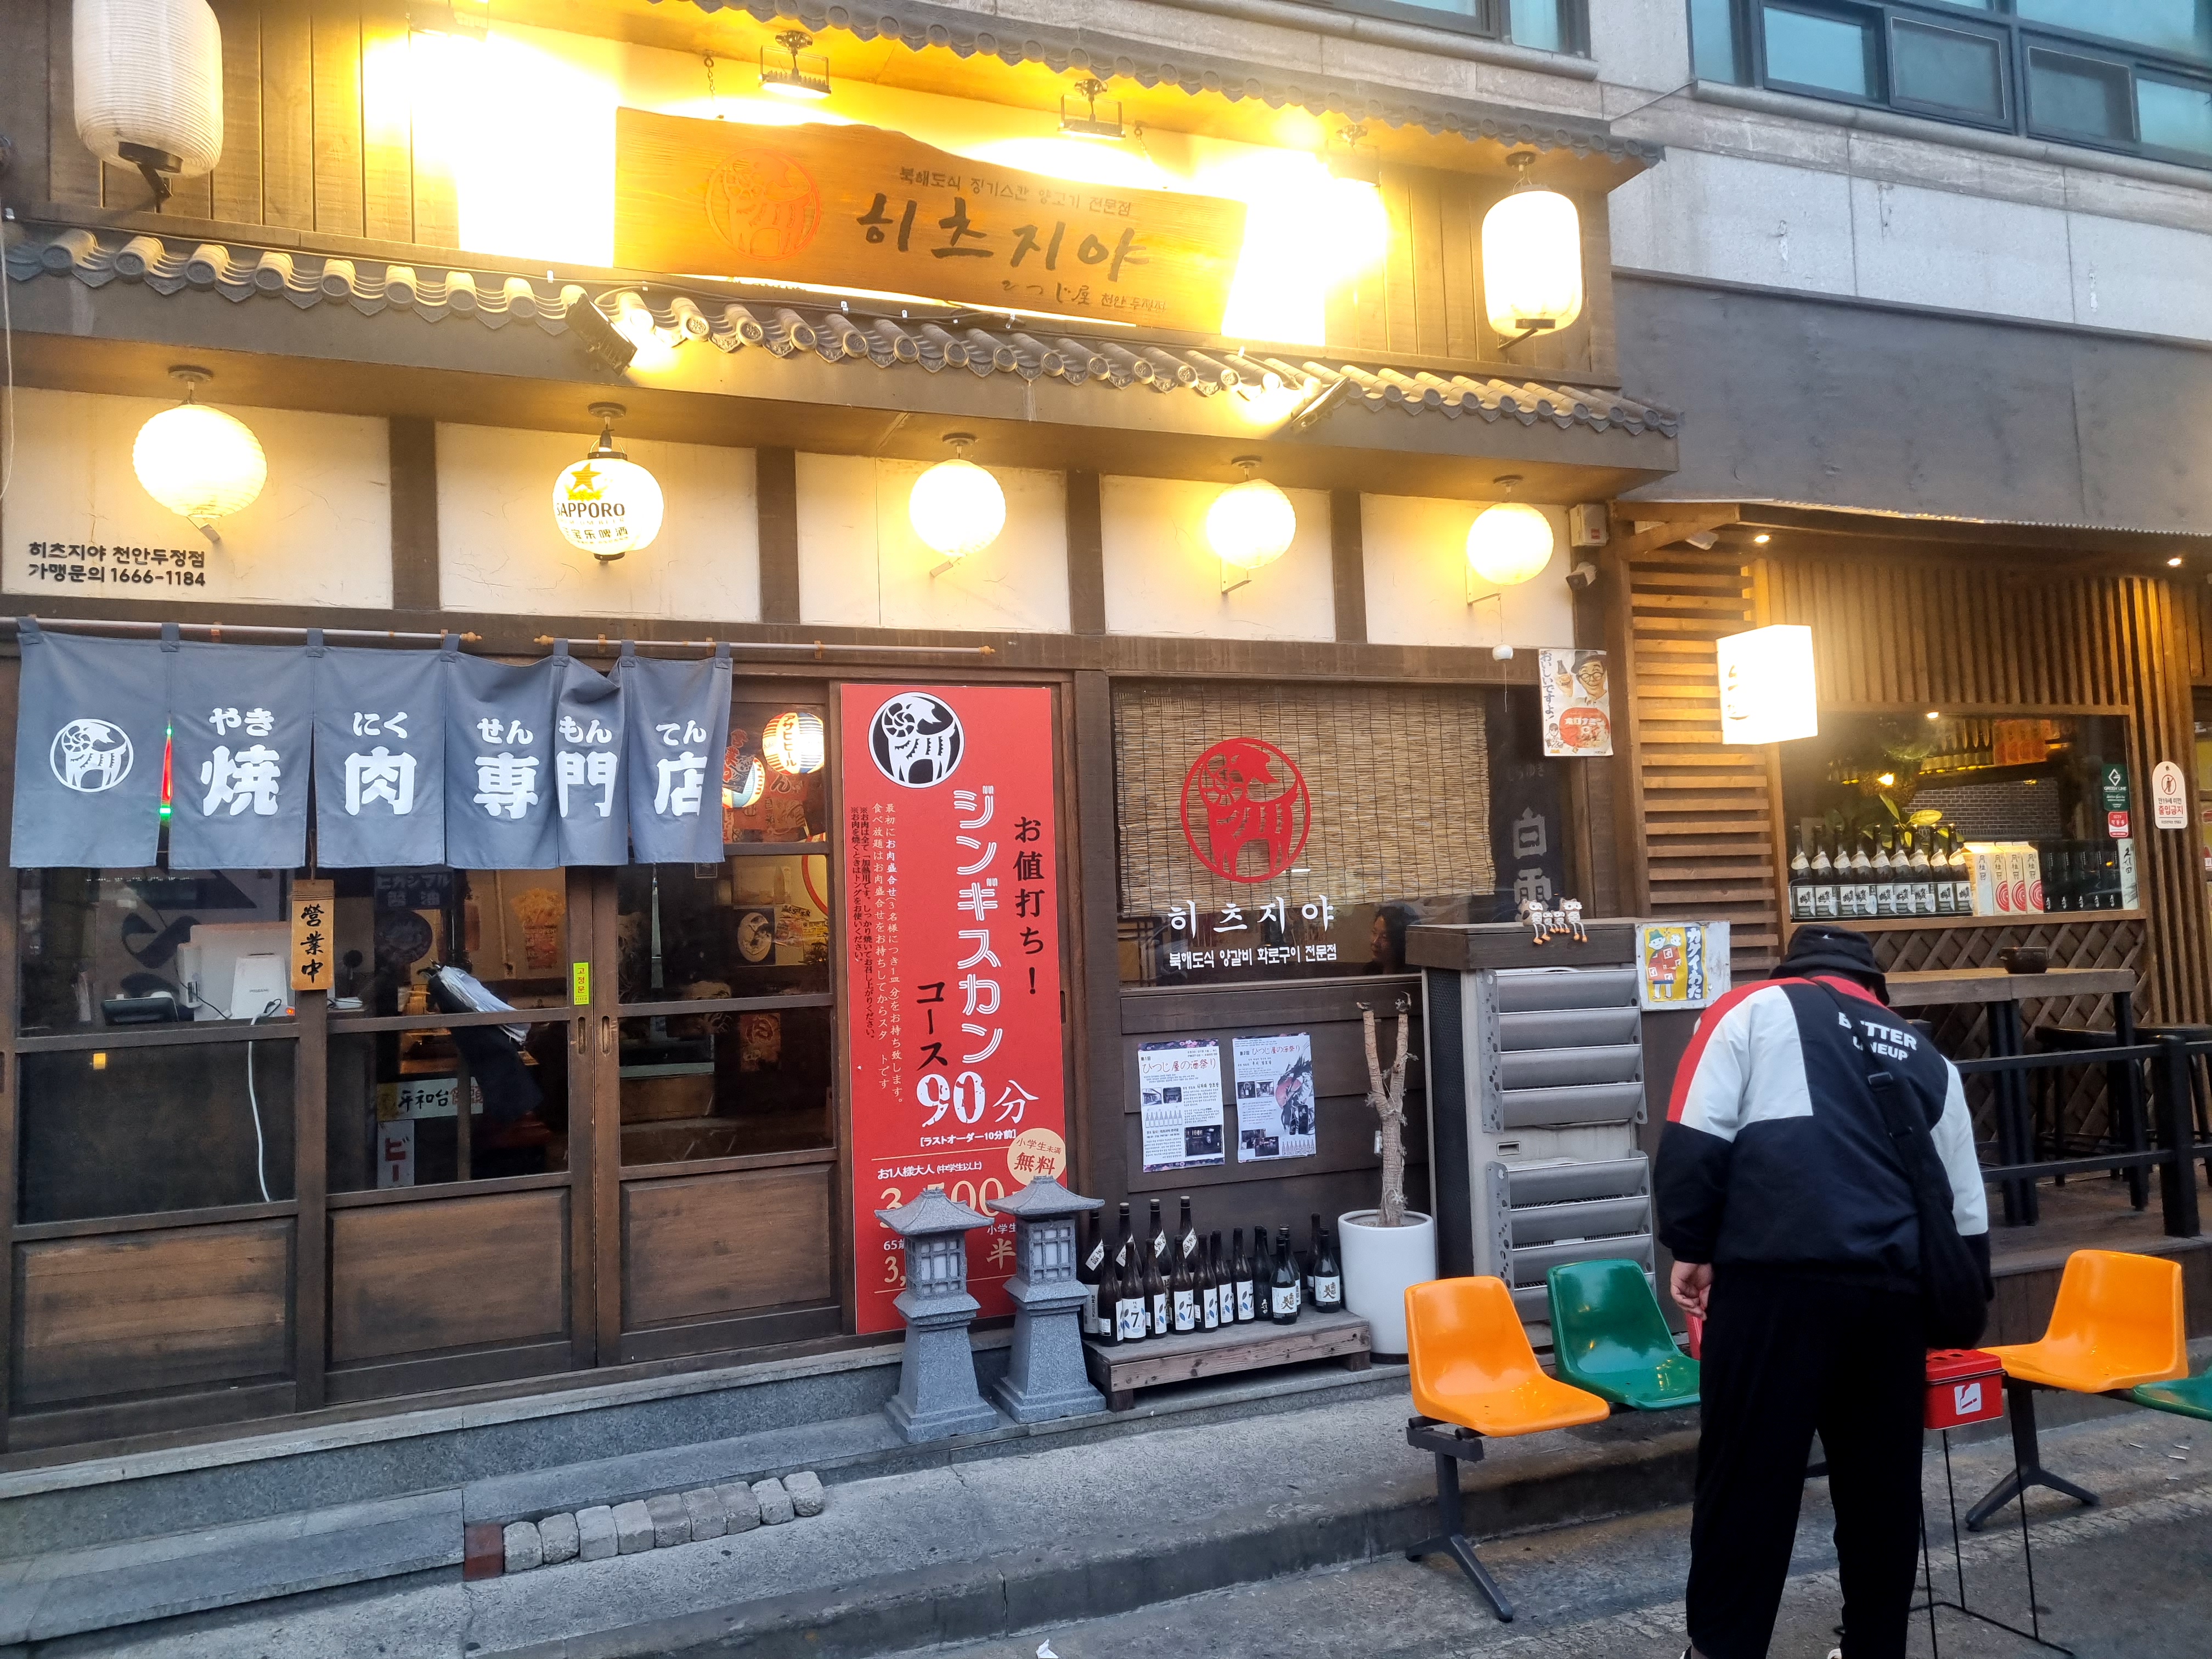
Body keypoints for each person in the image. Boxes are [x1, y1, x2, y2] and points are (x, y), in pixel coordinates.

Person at [1655, 924, 1990, 1659]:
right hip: (1891, 1298)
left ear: (1794, 969)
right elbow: (1966, 1214)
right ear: (1874, 988)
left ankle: (1723, 1650)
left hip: (1775, 1284)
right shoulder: (1929, 1059)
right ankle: (1875, 1647)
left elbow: (1694, 1137)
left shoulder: (1751, 1009)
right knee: (1881, 1491)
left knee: (1748, 1481)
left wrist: (1692, 1247)